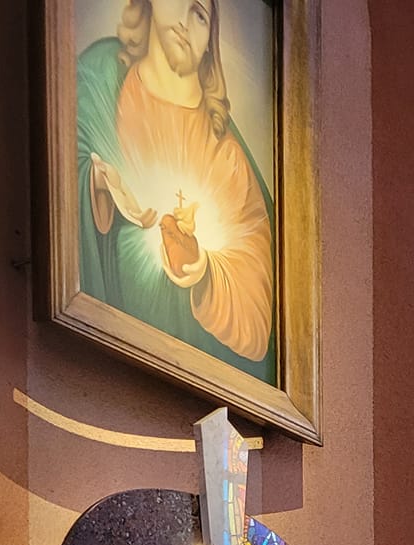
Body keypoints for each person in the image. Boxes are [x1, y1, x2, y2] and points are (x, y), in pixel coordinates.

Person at [77, 0, 275, 374]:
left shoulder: (225, 155)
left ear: (210, 42)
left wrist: (203, 268)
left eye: (200, 14)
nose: (185, 20)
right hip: (103, 366)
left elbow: (257, 317)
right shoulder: (99, 75)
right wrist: (98, 185)